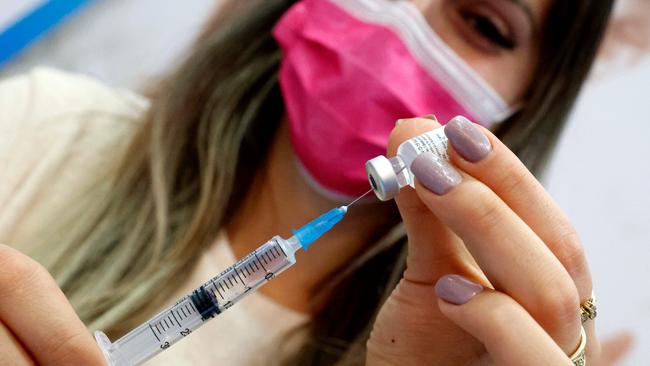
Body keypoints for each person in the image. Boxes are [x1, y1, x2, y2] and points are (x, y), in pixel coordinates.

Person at [0, 0, 621, 364]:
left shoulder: (456, 348)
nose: (404, 20)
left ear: (530, 104)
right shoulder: (48, 127)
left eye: (483, 23)